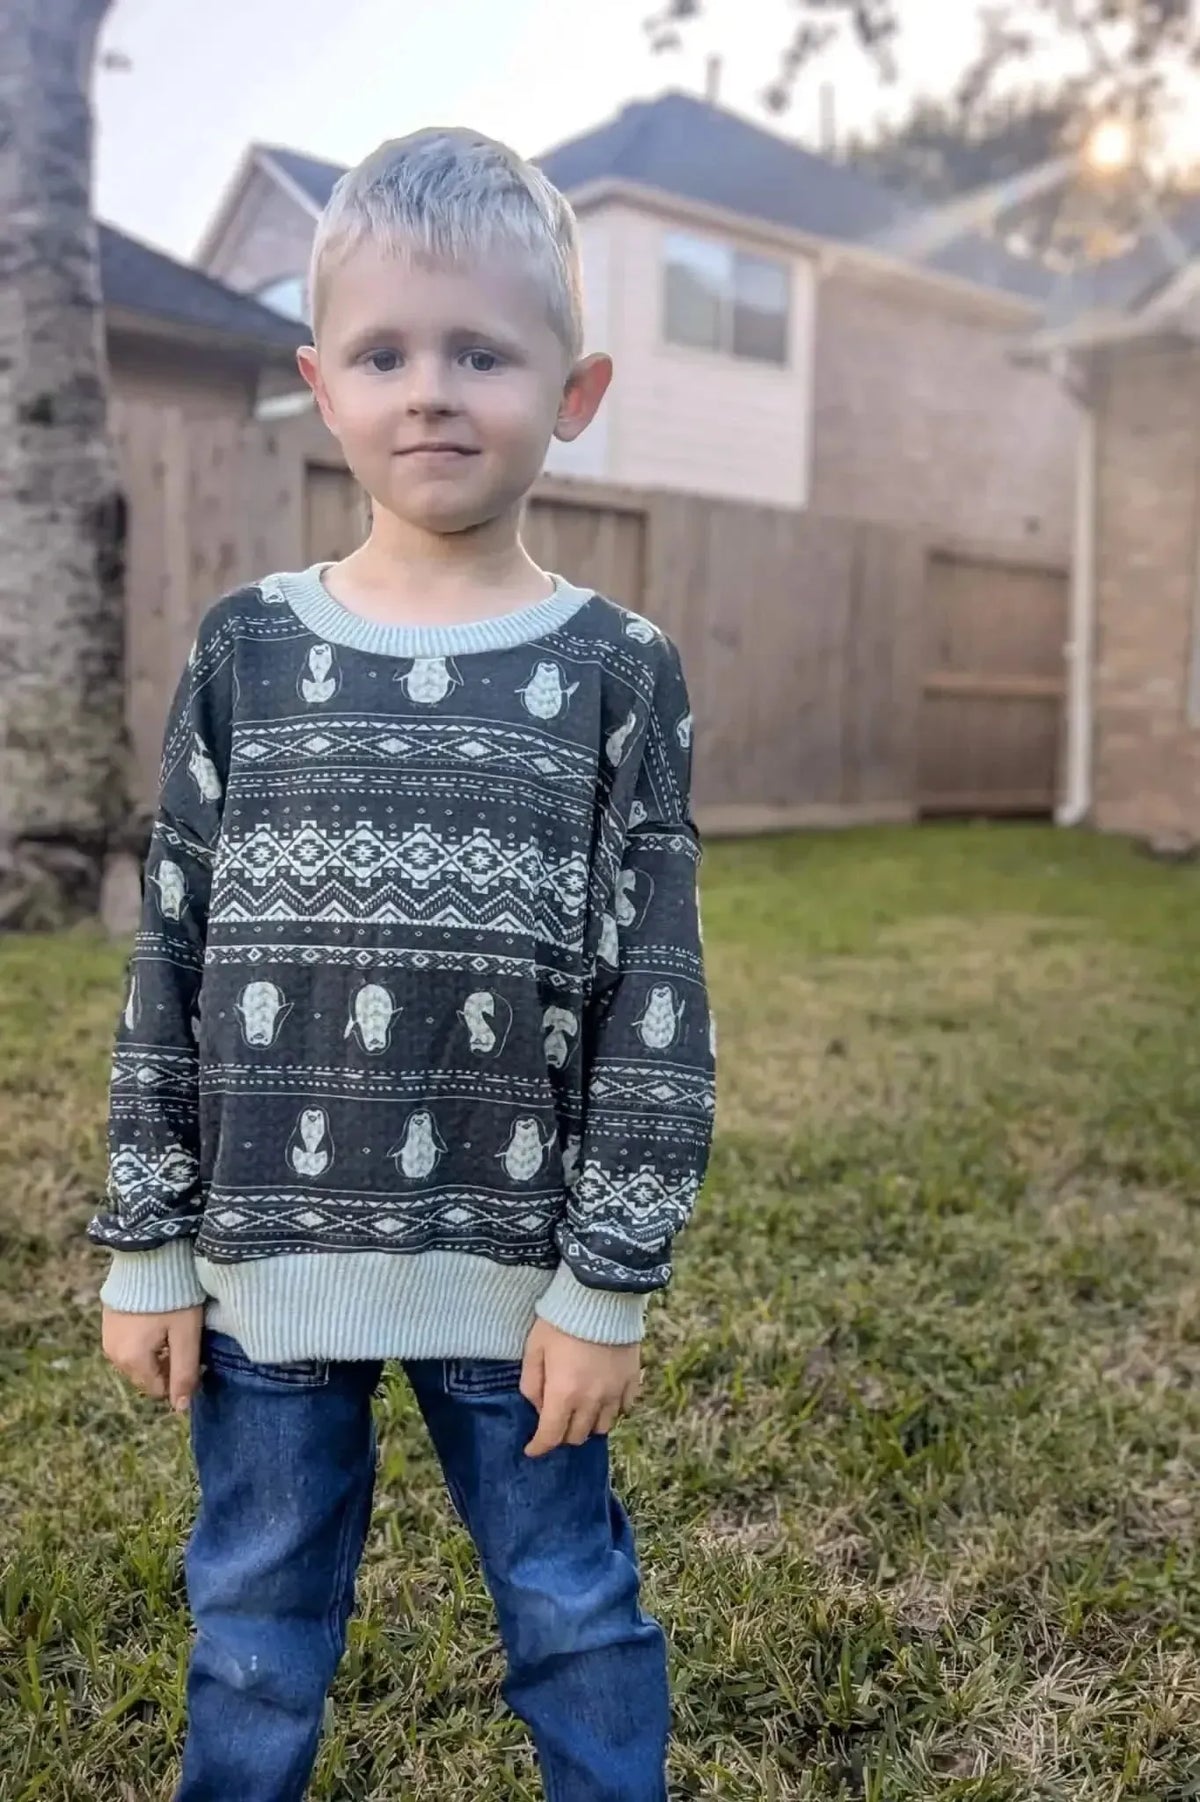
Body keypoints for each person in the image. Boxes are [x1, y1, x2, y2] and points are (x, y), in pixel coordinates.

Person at [88, 126, 715, 1802]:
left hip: (518, 1283)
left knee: (576, 1614)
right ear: (320, 383)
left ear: (572, 392)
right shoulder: (247, 652)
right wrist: (147, 1244)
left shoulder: (618, 672)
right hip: (268, 1266)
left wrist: (607, 1285)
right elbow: (174, 949)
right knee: (253, 1621)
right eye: (384, 352)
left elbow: (655, 993)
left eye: (481, 352)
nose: (430, 389)